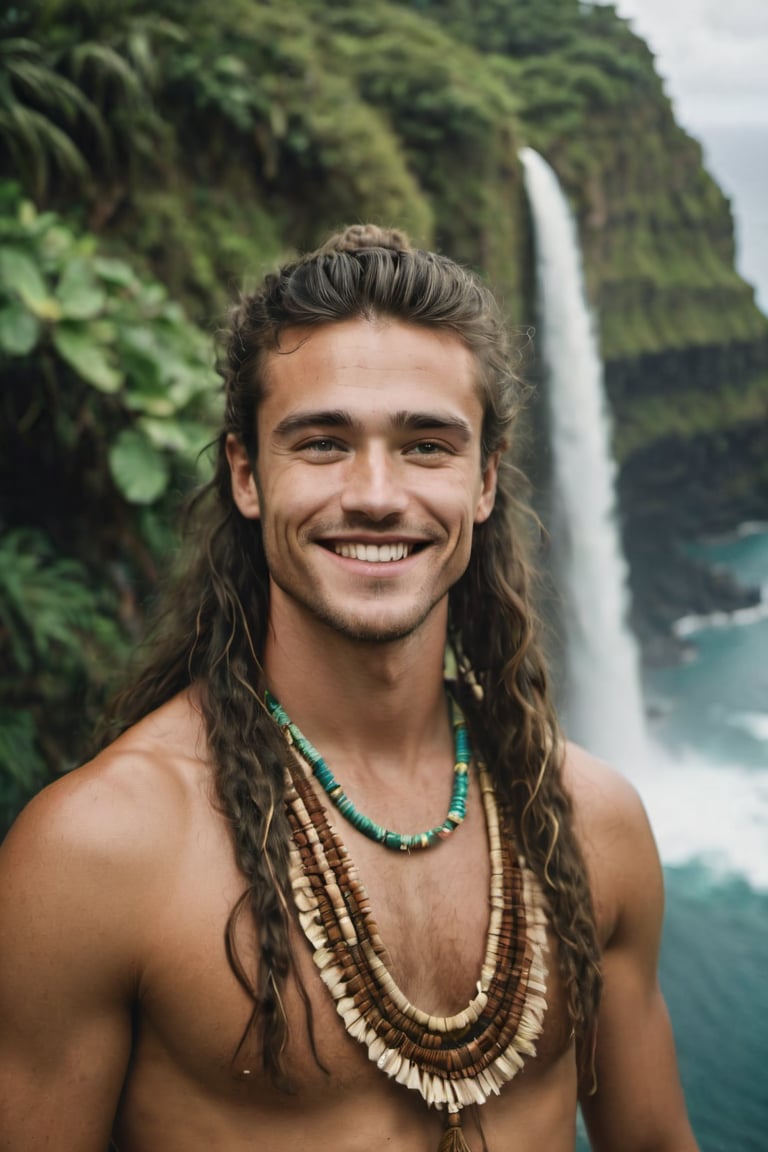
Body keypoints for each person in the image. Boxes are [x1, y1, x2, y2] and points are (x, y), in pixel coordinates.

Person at [0, 224, 698, 1152]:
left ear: (484, 482)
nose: (376, 493)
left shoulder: (591, 823)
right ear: (247, 475)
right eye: (324, 443)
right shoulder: (102, 854)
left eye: (427, 446)